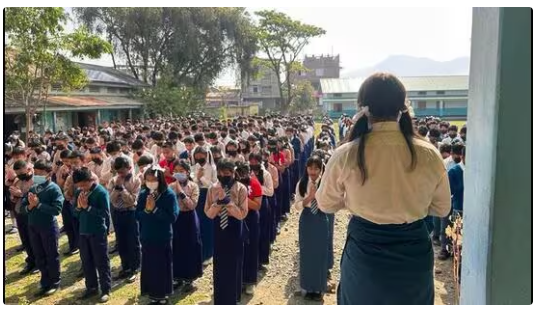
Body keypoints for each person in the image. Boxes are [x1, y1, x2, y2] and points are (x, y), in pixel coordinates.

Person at [315, 73, 451, 305]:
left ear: (363, 107)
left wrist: (352, 201)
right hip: (414, 254)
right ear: (402, 107)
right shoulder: (428, 153)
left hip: (365, 253)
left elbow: (326, 203)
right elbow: (441, 208)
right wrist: (410, 202)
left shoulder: (347, 153)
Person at [204, 159, 249, 305]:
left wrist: (228, 202)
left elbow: (242, 213)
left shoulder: (241, 188)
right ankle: (220, 298)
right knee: (220, 263)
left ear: (233, 172)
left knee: (234, 262)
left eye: (227, 172)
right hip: (219, 228)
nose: (224, 175)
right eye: (221, 172)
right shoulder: (213, 188)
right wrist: (218, 203)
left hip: (235, 227)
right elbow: (208, 213)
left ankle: (233, 298)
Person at [136, 165, 180, 305]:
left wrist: (155, 210)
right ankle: (152, 294)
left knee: (162, 266)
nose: (150, 182)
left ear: (160, 180)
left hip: (162, 237)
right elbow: (137, 215)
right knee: (149, 266)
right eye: (148, 179)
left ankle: (163, 296)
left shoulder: (169, 195)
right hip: (147, 235)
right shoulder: (143, 194)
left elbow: (172, 217)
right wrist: (147, 211)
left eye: (153, 179)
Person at [21, 159, 64, 297]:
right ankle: (45, 280)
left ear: (49, 173)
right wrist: (30, 206)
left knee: (51, 255)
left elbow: (56, 210)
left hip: (48, 226)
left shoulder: (54, 189)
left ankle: (55, 282)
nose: (37, 175)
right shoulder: (33, 188)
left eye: (40, 173)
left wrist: (38, 205)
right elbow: (22, 208)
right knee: (39, 255)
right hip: (33, 226)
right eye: (36, 172)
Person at [73, 167, 112, 303]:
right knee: (86, 261)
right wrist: (79, 207)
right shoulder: (79, 192)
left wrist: (88, 207)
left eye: (84, 185)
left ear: (90, 180)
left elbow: (105, 214)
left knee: (101, 261)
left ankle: (106, 289)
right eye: (79, 186)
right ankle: (91, 287)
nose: (82, 188)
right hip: (83, 231)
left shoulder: (100, 192)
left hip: (97, 232)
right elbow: (75, 213)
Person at [293, 155, 329, 301]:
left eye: (316, 168)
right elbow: (296, 205)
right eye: (310, 168)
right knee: (307, 252)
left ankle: (319, 288)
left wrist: (318, 198)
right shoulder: (302, 183)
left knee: (320, 252)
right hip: (307, 218)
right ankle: (307, 288)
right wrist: (310, 197)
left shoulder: (325, 183)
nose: (313, 171)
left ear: (321, 169)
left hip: (320, 218)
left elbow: (329, 202)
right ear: (306, 168)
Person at [169, 160, 203, 292]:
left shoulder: (193, 186)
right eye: (176, 171)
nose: (178, 173)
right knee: (176, 246)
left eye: (181, 171)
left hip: (189, 218)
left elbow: (192, 205)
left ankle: (190, 278)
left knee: (190, 246)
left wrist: (181, 193)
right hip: (176, 218)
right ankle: (177, 277)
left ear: (188, 172)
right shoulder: (170, 186)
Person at [107, 156, 142, 283]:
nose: (120, 174)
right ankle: (125, 266)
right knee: (121, 242)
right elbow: (111, 199)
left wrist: (122, 189)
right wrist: (117, 188)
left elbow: (133, 200)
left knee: (132, 241)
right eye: (118, 172)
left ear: (129, 168)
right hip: (118, 213)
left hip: (131, 213)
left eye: (122, 171)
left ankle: (135, 267)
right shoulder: (113, 181)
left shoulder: (136, 180)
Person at [236, 162, 262, 296]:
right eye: (239, 173)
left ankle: (250, 282)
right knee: (236, 250)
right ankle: (237, 280)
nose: (242, 176)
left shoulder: (254, 183)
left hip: (250, 218)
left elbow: (257, 205)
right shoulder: (232, 183)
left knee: (250, 248)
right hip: (235, 217)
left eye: (244, 172)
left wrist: (242, 197)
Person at [9, 159, 37, 275]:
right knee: (25, 239)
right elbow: (13, 198)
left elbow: (36, 196)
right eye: (18, 174)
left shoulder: (36, 180)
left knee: (34, 240)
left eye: (22, 173)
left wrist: (20, 194)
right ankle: (31, 261)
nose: (20, 176)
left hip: (32, 213)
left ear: (28, 169)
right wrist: (14, 196)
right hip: (20, 213)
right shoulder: (17, 181)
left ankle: (39, 263)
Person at [439, 146, 466, 260]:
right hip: (458, 208)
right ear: (462, 156)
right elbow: (449, 192)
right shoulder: (454, 172)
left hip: (470, 210)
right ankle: (446, 250)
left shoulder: (476, 171)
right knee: (455, 233)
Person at [193, 145, 218, 264]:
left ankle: (209, 252)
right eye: (197, 156)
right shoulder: (194, 167)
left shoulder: (212, 167)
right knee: (198, 224)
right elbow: (192, 182)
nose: (199, 158)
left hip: (208, 196)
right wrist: (196, 179)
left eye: (201, 155)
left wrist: (201, 178)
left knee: (208, 223)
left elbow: (214, 184)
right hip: (197, 196)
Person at [249, 153, 274, 268]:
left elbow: (270, 191)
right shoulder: (247, 173)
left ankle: (261, 260)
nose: (253, 164)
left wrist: (257, 187)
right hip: (250, 205)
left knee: (263, 232)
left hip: (263, 204)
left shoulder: (266, 174)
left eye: (256, 162)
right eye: (251, 162)